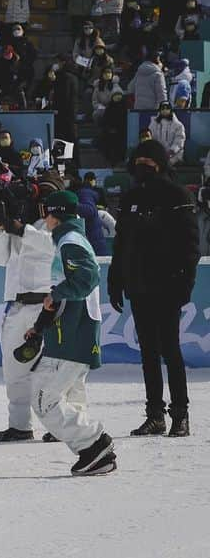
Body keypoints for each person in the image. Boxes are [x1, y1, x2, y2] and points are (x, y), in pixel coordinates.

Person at [19, 190, 116, 475]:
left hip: (71, 336)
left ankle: (94, 444)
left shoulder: (70, 241)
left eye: (45, 211)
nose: (43, 218)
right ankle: (94, 455)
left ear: (55, 214)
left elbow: (87, 278)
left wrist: (57, 294)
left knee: (43, 398)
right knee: (70, 399)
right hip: (70, 333)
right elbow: (68, 288)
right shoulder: (68, 239)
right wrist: (39, 326)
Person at [109, 139, 198, 438]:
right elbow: (120, 243)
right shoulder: (131, 197)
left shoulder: (177, 195)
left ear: (160, 164)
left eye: (148, 163)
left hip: (168, 286)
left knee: (170, 350)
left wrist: (185, 283)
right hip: (139, 287)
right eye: (138, 163)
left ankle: (180, 414)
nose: (141, 168)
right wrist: (115, 280)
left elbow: (190, 245)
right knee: (148, 353)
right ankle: (154, 415)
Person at [0, 182, 59, 442]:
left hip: (47, 305)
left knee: (51, 371)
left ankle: (59, 425)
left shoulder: (52, 226)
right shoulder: (17, 226)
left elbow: (50, 246)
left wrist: (20, 229)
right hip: (17, 305)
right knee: (14, 368)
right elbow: (0, 259)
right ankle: (20, 426)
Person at [148, 100, 186, 166]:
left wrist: (171, 151)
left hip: (173, 156)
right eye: (163, 108)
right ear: (159, 110)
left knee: (166, 164)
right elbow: (150, 139)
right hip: (158, 155)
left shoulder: (178, 125)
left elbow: (179, 141)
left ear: (170, 110)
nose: (165, 110)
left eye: (167, 108)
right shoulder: (153, 124)